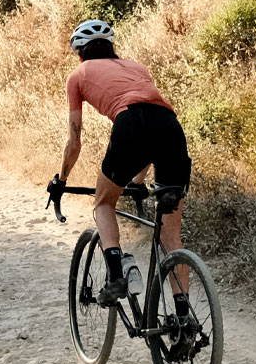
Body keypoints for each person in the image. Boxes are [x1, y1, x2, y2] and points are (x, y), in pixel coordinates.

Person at [50, 18, 192, 311]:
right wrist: (138, 181)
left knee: (103, 203)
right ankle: (183, 320)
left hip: (130, 124)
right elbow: (151, 127)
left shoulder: (78, 74)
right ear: (112, 47)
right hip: (171, 126)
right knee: (171, 235)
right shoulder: (137, 68)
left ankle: (116, 276)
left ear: (80, 52)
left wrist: (61, 179)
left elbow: (75, 140)